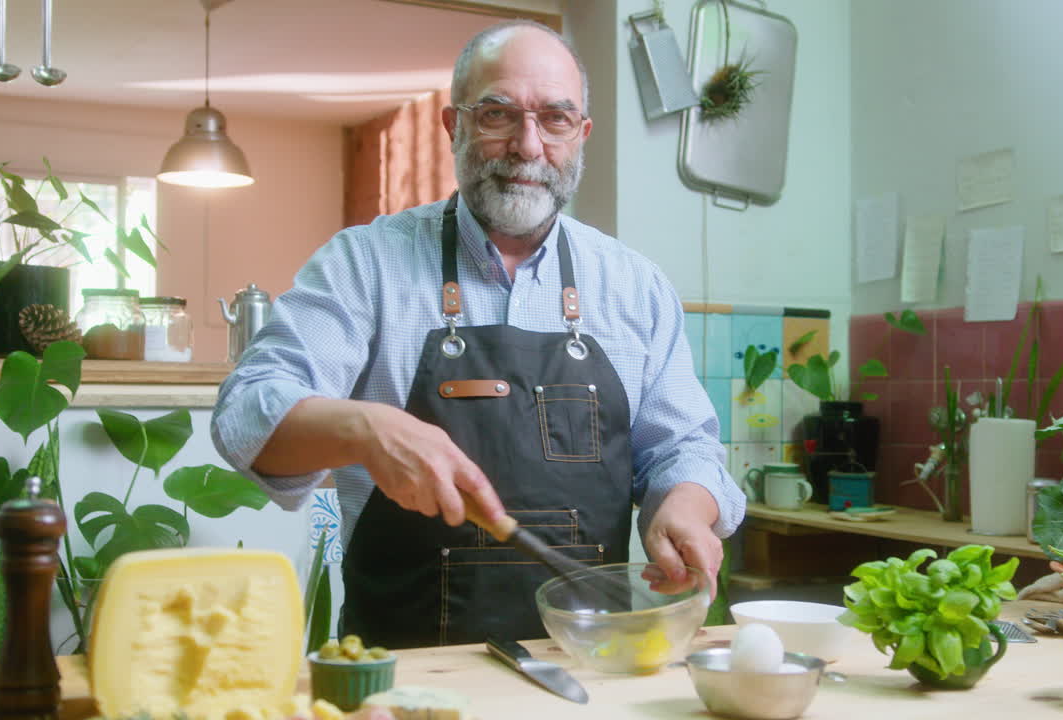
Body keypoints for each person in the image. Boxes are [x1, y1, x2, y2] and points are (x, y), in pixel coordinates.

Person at [212, 19, 744, 649]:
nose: (527, 145)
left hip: (586, 662)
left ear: (581, 135)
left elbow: (684, 447)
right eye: (497, 115)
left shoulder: (635, 286)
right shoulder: (365, 264)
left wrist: (685, 503)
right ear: (453, 127)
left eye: (555, 118)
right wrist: (364, 429)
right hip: (403, 673)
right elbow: (246, 411)